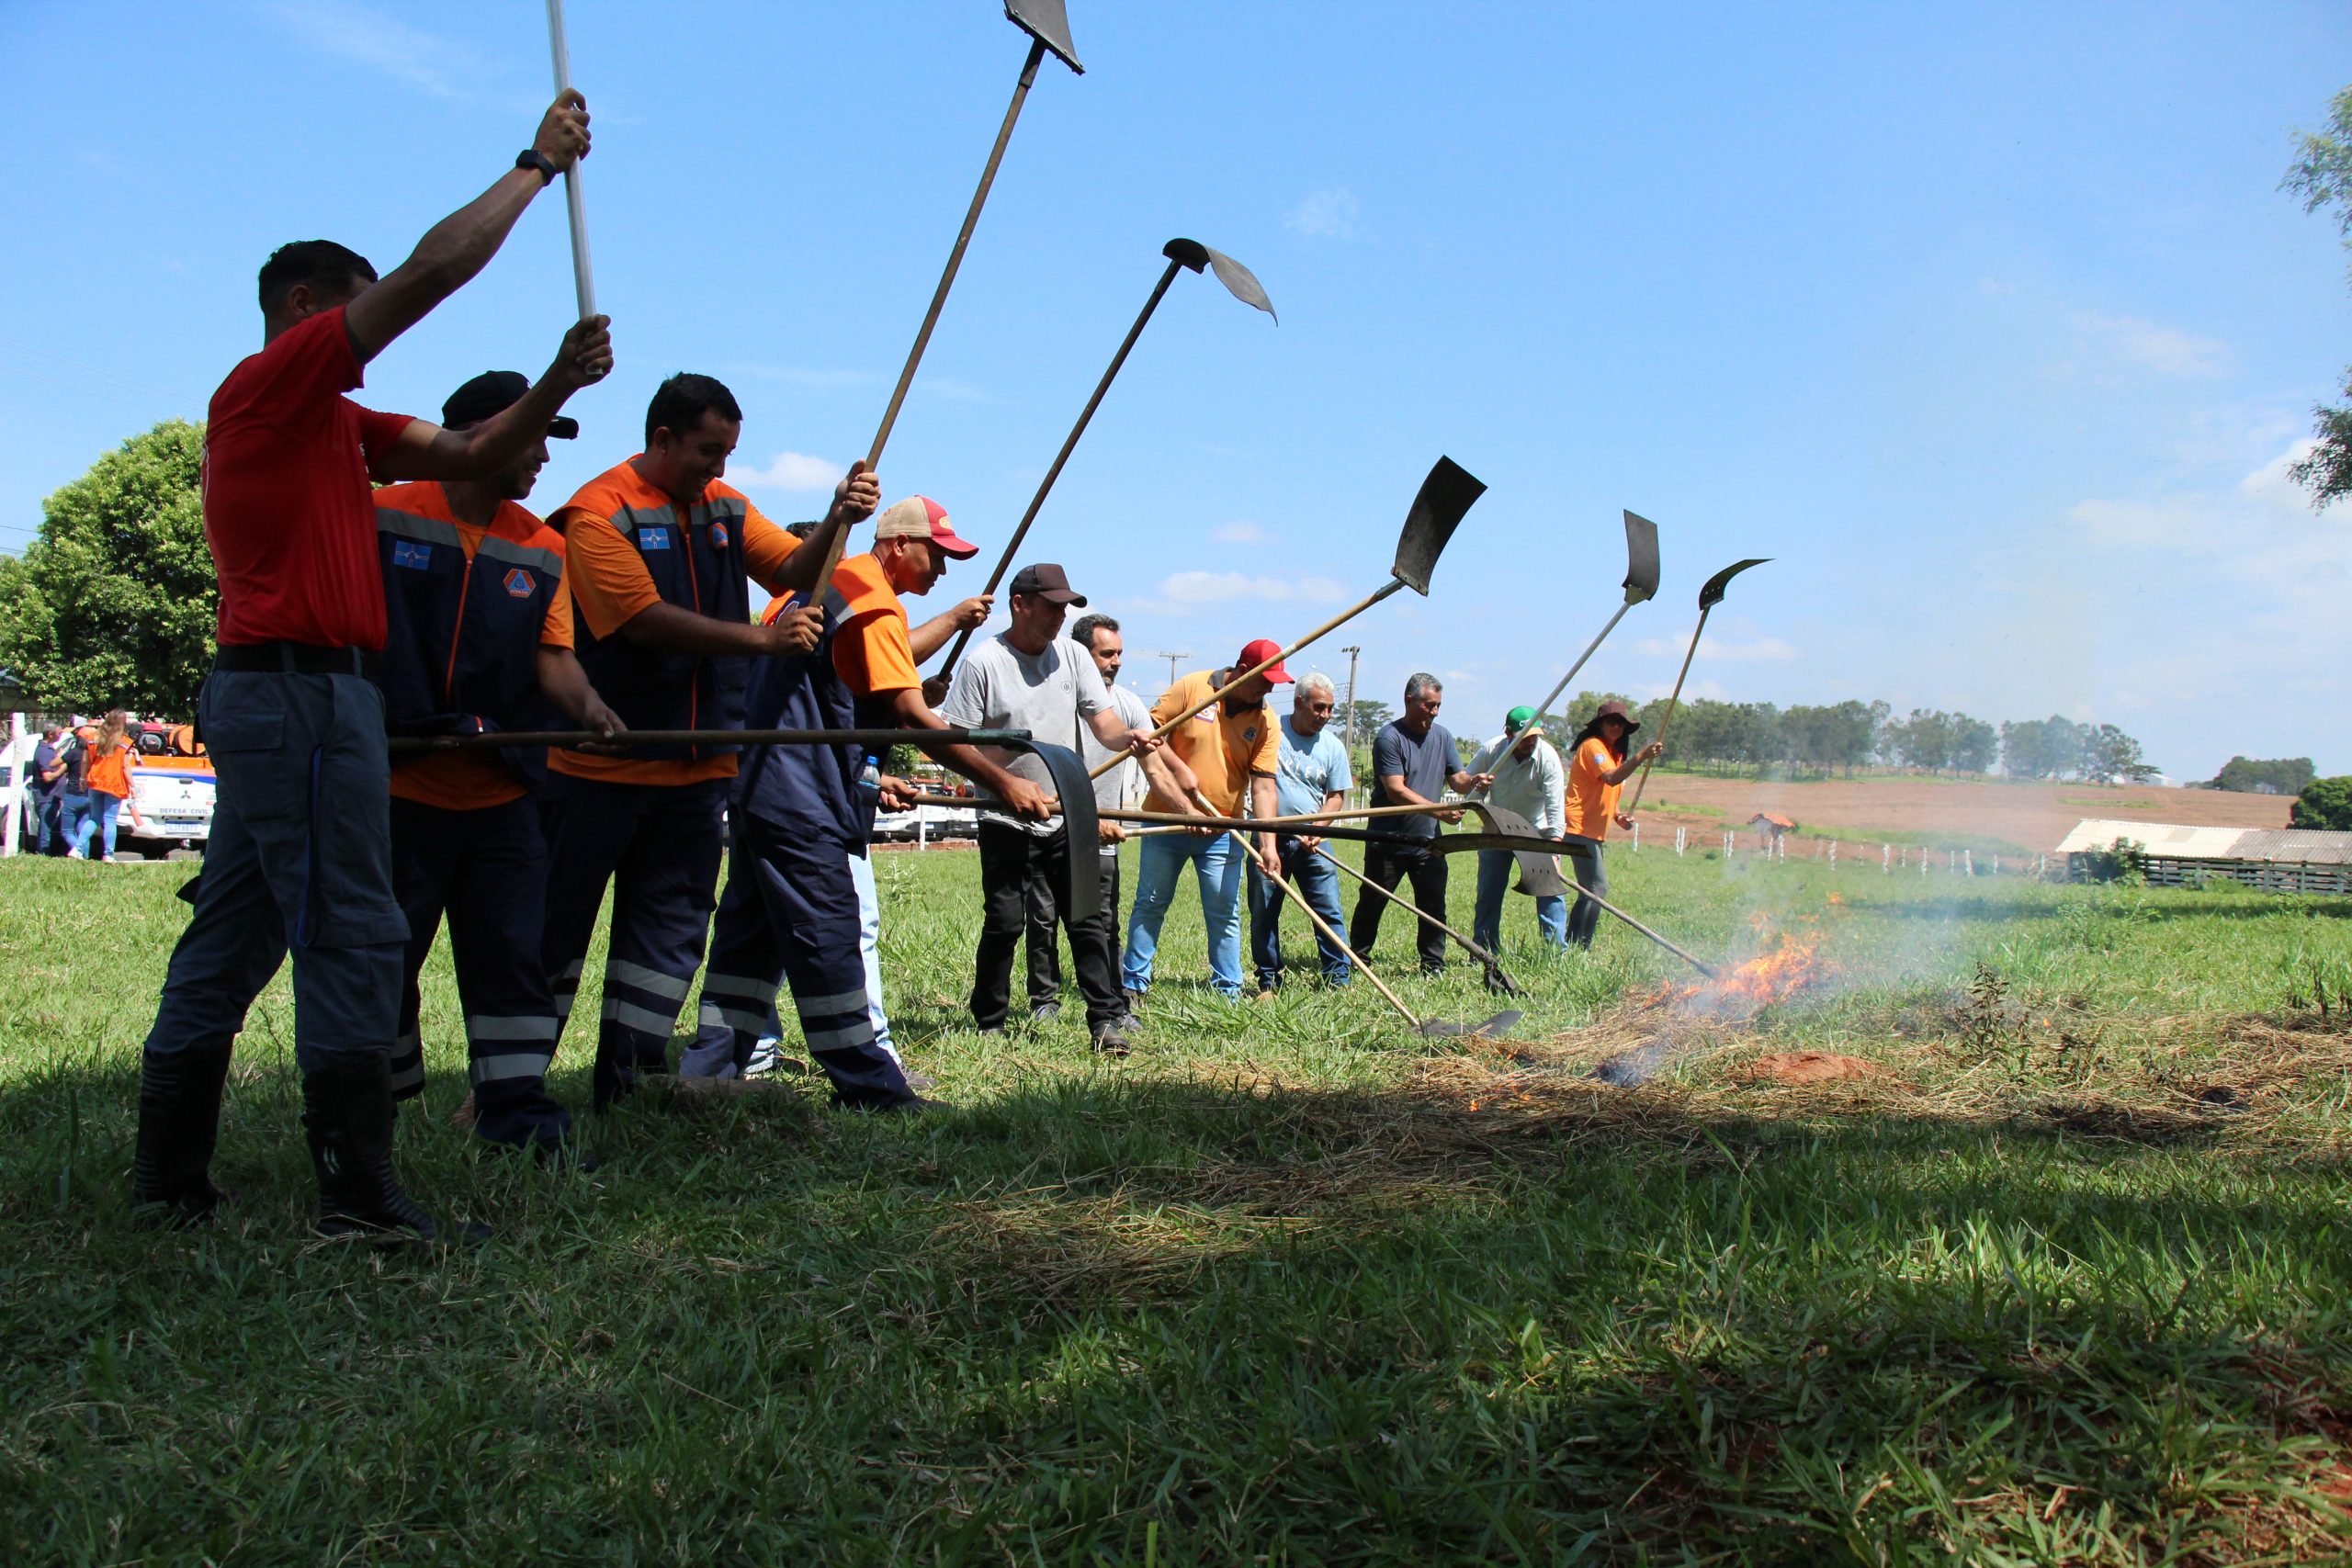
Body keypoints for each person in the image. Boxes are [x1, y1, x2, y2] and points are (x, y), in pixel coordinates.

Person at [137, 89, 612, 1240]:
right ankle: (358, 1199)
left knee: (236, 931)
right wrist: (534, 169)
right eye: (348, 322)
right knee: (352, 927)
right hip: (300, 692)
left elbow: (470, 450)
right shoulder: (271, 388)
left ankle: (169, 1182)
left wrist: (552, 388)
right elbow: (428, 273)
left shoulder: (327, 426)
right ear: (304, 312)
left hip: (292, 690)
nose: (363, 342)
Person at [539, 373, 867, 1112]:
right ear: (661, 438)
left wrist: (834, 518)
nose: (718, 469)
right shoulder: (597, 513)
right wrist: (763, 639)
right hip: (601, 768)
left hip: (697, 771)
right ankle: (511, 1085)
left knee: (665, 946)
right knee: (554, 937)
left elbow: (790, 567)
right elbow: (641, 620)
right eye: (706, 451)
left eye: (727, 453)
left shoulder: (723, 507)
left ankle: (627, 1088)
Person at [374, 370, 625, 1159]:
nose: (545, 457)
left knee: (514, 958)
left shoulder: (542, 545)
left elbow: (555, 658)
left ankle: (513, 1111)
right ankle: (372, 1098)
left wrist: (592, 711)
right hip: (396, 789)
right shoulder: (378, 516)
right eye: (537, 435)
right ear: (487, 433)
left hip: (502, 793)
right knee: (384, 957)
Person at [819, 499, 1058, 1057]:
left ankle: (740, 1055)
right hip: (815, 794)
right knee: (854, 928)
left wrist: (874, 775)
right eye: (938, 556)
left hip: (805, 780)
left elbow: (869, 679)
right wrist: (1004, 783)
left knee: (761, 929)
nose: (944, 571)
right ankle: (871, 1060)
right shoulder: (873, 601)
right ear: (899, 545)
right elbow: (910, 716)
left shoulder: (851, 586)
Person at [938, 565, 1175, 1054]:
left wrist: (1128, 738)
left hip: (1068, 810)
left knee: (1087, 918)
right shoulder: (985, 662)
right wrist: (1005, 787)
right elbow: (954, 742)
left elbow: (1104, 725)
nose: (1059, 616)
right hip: (1005, 815)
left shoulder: (1072, 655)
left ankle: (1106, 1020)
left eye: (1065, 608)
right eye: (1050, 606)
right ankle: (990, 1021)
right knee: (1005, 921)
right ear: (1019, 604)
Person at [1123, 642, 1285, 1003]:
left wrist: (1268, 845)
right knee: (1150, 902)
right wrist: (1179, 772)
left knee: (1224, 911)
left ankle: (1228, 990)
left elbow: (1263, 785)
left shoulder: (1266, 720)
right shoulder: (1193, 687)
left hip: (1224, 831)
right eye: (1265, 680)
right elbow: (1149, 734)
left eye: (1275, 682)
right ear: (1243, 669)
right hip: (1165, 819)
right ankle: (1133, 984)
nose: (1269, 689)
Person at [1347, 673, 1489, 976]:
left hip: (1428, 841)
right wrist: (1439, 812)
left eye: (1438, 706)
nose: (1435, 712)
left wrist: (1475, 781)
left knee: (1433, 905)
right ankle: (1358, 959)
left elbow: (1459, 781)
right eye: (1429, 705)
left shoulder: (1443, 737)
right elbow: (1396, 790)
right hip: (1388, 839)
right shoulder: (1390, 738)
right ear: (1409, 701)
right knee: (1372, 902)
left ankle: (1433, 964)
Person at [1246, 673, 1353, 994]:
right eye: (1319, 707)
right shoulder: (1270, 732)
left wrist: (1318, 829)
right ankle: (1268, 980)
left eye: (1331, 709)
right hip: (1268, 838)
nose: (1326, 716)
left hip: (1312, 843)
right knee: (1263, 914)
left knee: (1328, 911)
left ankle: (1338, 979)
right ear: (1299, 703)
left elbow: (1335, 796)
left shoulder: (1332, 747)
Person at [1066, 613, 1148, 995]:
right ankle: (1043, 999)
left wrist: (1190, 806)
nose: (1116, 662)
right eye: (1107, 654)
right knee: (1042, 919)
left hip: (1104, 835)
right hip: (1052, 825)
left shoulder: (1128, 704)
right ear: (1082, 656)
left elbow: (1157, 762)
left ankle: (1112, 995)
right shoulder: (1059, 698)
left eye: (1119, 653)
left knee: (1104, 919)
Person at [1560, 699, 1665, 950]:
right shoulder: (1593, 747)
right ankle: (1578, 947)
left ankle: (1575, 946)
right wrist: (1642, 755)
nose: (1616, 727)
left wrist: (1618, 817)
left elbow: (1604, 793)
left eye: (1621, 723)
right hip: (1579, 828)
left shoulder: (1613, 753)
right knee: (1597, 889)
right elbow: (1610, 778)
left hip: (1593, 832)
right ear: (1600, 724)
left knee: (1591, 890)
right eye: (1611, 722)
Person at [1467, 705, 1569, 953]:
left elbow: (1555, 809)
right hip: (1498, 830)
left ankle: (1556, 952)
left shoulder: (1548, 758)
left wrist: (1554, 850)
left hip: (1537, 833)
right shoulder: (1491, 751)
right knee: (1488, 893)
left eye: (1534, 736)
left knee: (1550, 892)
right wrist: (1482, 806)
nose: (1530, 742)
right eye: (1525, 738)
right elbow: (1468, 787)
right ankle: (1484, 949)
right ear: (1508, 734)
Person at [78, 711, 147, 860]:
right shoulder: (124, 742)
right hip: (114, 784)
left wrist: (83, 778)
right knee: (109, 820)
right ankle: (108, 854)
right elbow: (125, 767)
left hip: (95, 781)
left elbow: (85, 761)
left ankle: (77, 849)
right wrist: (132, 785)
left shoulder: (92, 738)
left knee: (94, 818)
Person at [29, 726, 64, 855]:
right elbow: (48, 777)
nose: (61, 735)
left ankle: (44, 853)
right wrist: (64, 766)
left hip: (52, 796)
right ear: (50, 734)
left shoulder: (49, 750)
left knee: (48, 826)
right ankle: (43, 854)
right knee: (46, 828)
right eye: (59, 733)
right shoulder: (44, 752)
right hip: (47, 797)